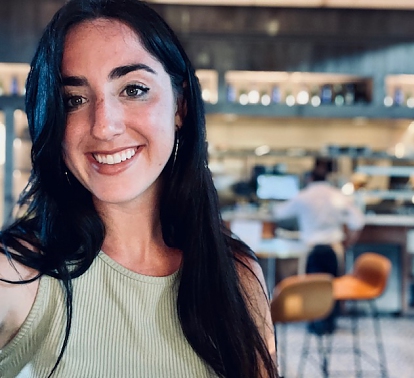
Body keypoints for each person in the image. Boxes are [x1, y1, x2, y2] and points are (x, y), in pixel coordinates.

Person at [0, 1, 278, 377]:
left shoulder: (238, 275)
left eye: (133, 89)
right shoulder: (19, 274)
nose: (104, 126)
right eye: (74, 100)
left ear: (179, 106)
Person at [272, 167, 365, 333]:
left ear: (310, 179)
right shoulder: (338, 195)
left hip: (311, 250)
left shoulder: (303, 196)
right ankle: (329, 324)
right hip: (334, 249)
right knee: (332, 288)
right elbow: (358, 221)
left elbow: (278, 213)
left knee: (311, 288)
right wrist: (350, 240)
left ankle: (314, 323)